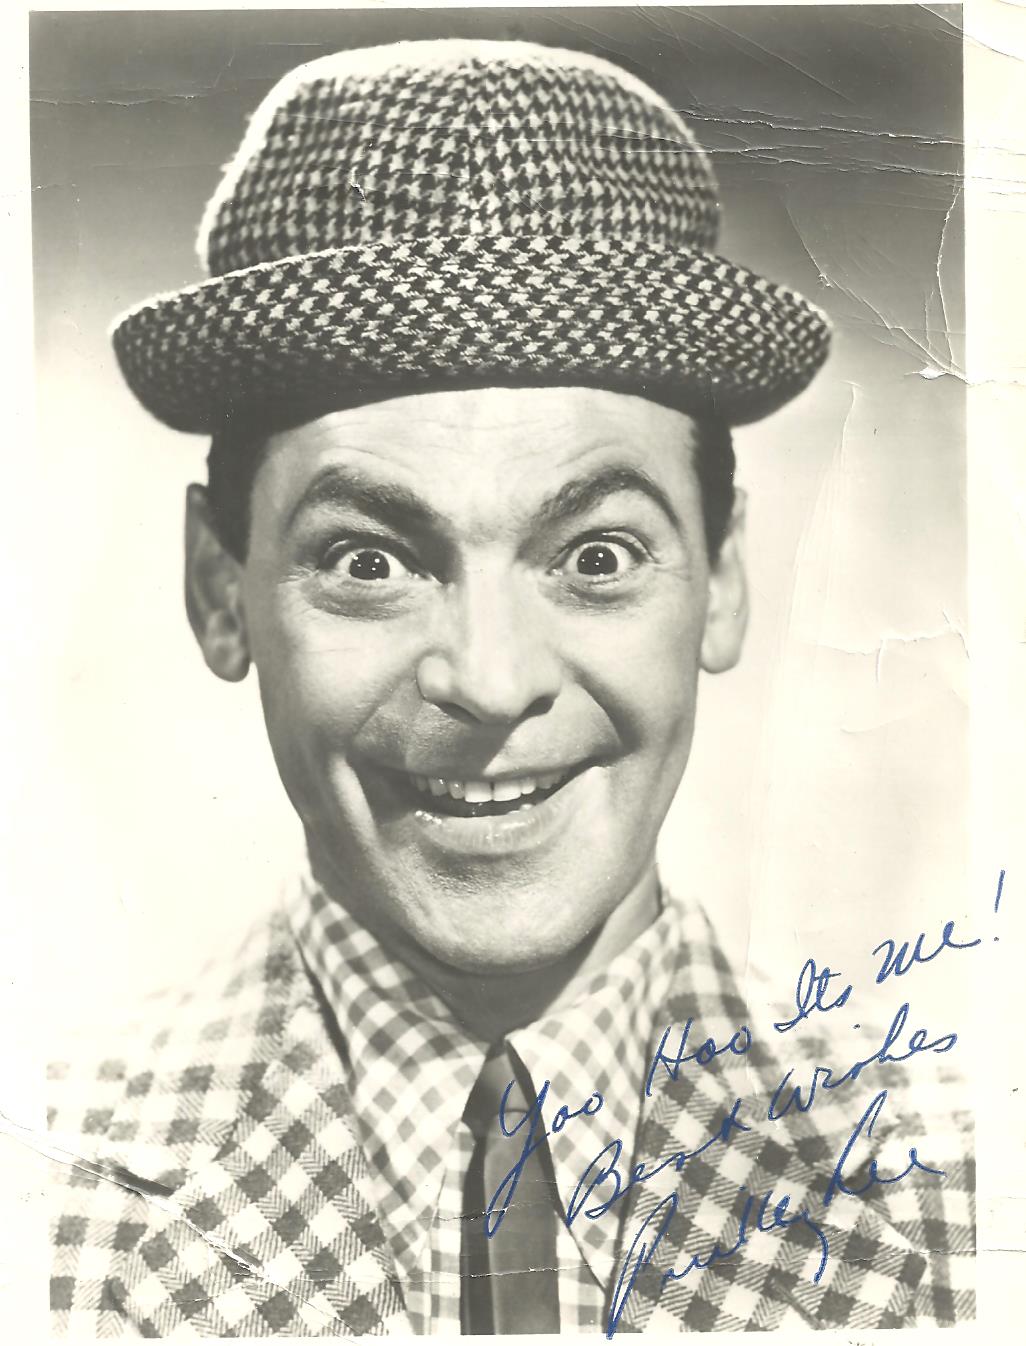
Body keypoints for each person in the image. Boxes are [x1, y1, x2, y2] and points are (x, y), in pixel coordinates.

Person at [43, 40, 973, 1337]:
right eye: (368, 562)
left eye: (596, 557)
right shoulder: (41, 1200)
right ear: (218, 588)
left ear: (720, 581)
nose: (490, 681)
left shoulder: (969, 1187)